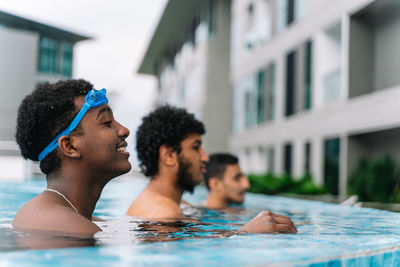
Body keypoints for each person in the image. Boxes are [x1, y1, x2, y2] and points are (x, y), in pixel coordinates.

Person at [127, 105, 297, 233]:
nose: (205, 157)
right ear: (169, 155)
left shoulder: (172, 205)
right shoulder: (162, 212)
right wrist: (246, 233)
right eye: (196, 147)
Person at [13, 79, 131, 236]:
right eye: (107, 123)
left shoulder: (80, 220)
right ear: (70, 146)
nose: (124, 130)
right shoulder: (69, 227)